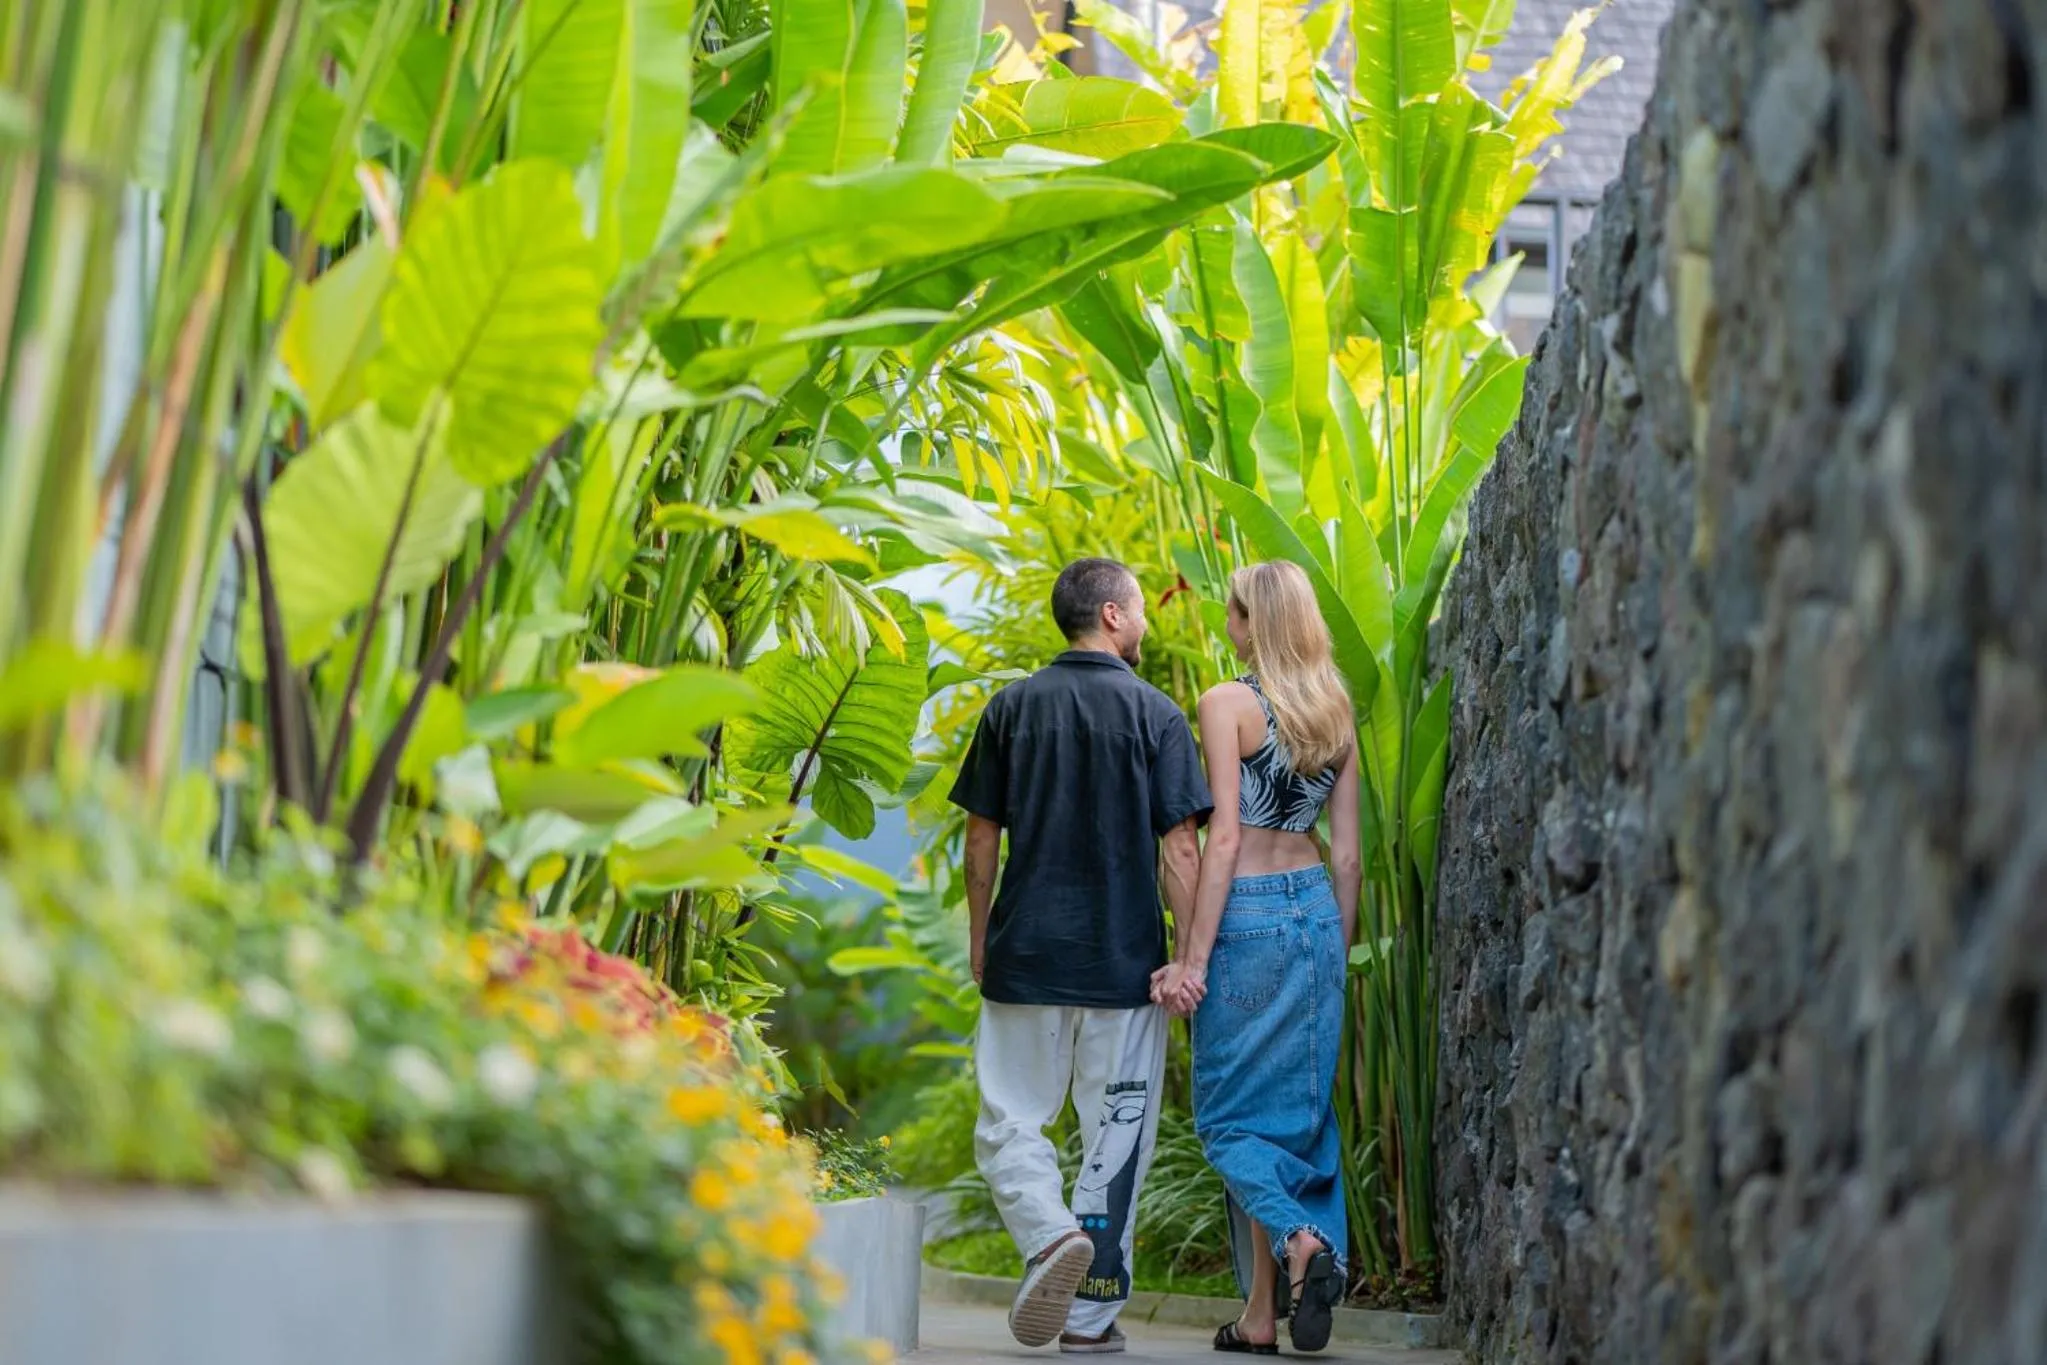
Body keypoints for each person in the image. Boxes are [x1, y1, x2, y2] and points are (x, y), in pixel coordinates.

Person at [949, 557, 1214, 1354]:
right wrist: (1186, 957)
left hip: (1026, 951)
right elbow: (1180, 849)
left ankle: (1046, 1234)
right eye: (1139, 609)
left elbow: (980, 838)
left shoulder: (1010, 708)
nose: (1145, 623)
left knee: (1009, 1120)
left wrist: (979, 934)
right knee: (1115, 1134)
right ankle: (1089, 1319)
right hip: (1125, 963)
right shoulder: (1156, 713)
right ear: (1110, 614)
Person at [1151, 561, 1361, 1356]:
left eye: (1233, 611)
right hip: (1314, 913)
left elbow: (1224, 839)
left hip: (1245, 916)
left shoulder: (1225, 703)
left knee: (1227, 1120)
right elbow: (1348, 858)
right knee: (1294, 1122)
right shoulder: (1334, 709)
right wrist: (1332, 956)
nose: (1226, 622)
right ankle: (1259, 1316)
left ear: (1254, 621)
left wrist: (1192, 957)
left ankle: (1301, 1237)